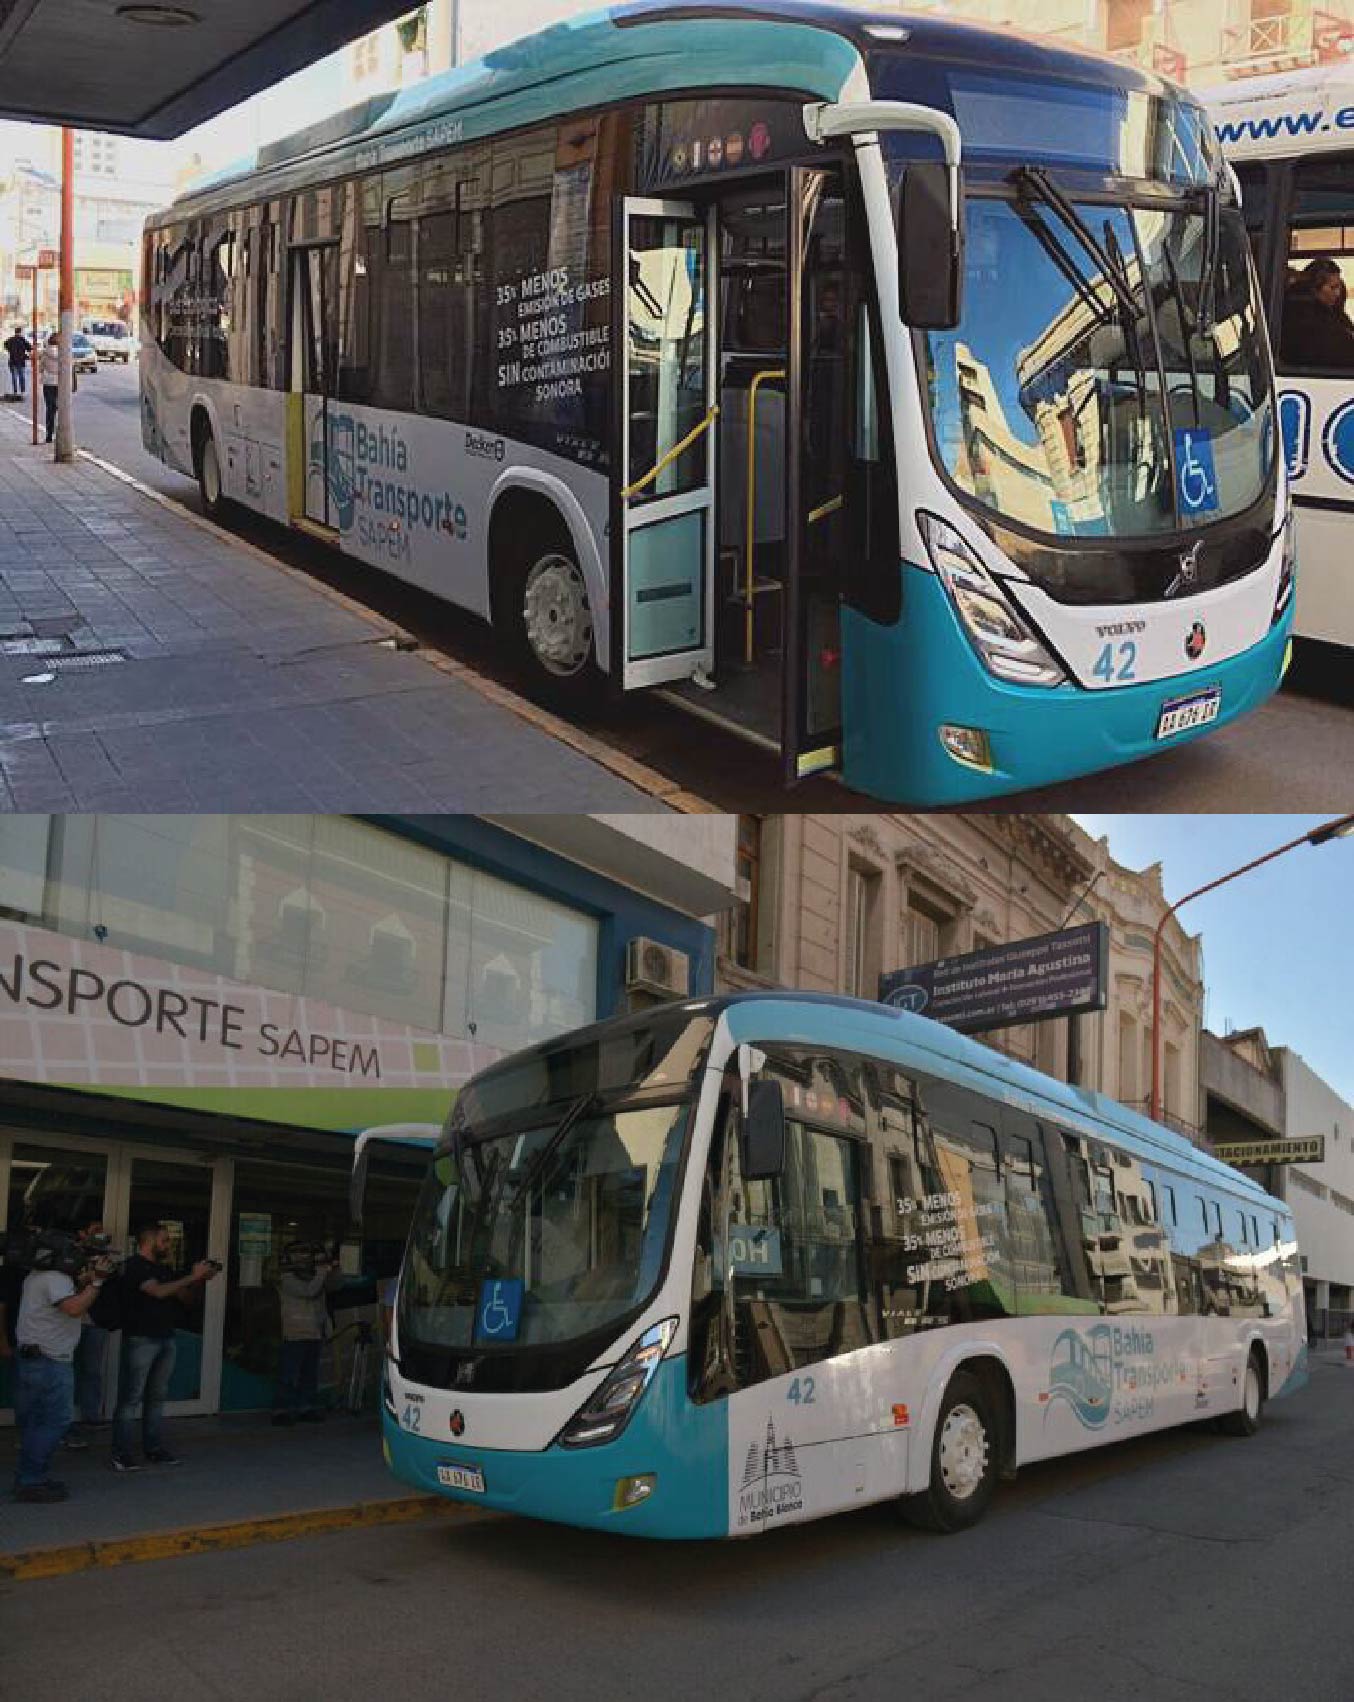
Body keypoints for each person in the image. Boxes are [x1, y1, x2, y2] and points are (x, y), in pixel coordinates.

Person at [110, 1223, 219, 1471]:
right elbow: (157, 1292)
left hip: (166, 1337)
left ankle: (153, 1448)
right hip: (141, 1338)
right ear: (149, 1241)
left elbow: (186, 1299)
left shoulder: (164, 1269)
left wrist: (198, 1280)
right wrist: (191, 1276)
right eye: (165, 1240)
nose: (168, 1245)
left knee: (157, 1397)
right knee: (131, 1397)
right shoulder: (134, 1266)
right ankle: (122, 1453)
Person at [12, 1238, 107, 1503]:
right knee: (56, 1420)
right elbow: (74, 1308)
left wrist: (84, 1281)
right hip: (50, 1361)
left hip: (33, 1359)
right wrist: (97, 1281)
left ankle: (29, 1476)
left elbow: (65, 1299)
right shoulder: (55, 1278)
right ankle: (32, 1480)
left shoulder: (36, 1276)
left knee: (35, 1422)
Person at [273, 1243, 342, 1426]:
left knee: (309, 1375)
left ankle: (306, 1407)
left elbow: (336, 1286)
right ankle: (282, 1410)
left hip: (314, 1332)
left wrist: (334, 1269)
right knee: (289, 1374)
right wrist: (321, 1272)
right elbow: (309, 1292)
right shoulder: (287, 1278)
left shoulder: (316, 1277)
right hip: (294, 1333)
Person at [1280, 258, 1354, 371]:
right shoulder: (1304, 319)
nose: (1338, 293)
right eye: (1332, 288)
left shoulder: (1336, 314)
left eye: (1339, 286)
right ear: (1314, 288)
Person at [39, 332, 60, 442]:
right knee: (59, 407)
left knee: (49, 408)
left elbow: (41, 368)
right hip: (60, 383)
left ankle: (49, 433)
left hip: (48, 382)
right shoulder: (63, 352)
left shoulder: (45, 353)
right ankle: (60, 431)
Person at [5, 325, 30, 399]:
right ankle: (22, 392)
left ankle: (15, 391)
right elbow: (29, 348)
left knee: (14, 377)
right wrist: (26, 355)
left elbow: (5, 345)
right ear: (21, 332)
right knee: (21, 377)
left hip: (12, 361)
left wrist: (10, 350)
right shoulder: (22, 340)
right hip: (21, 362)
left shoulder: (10, 340)